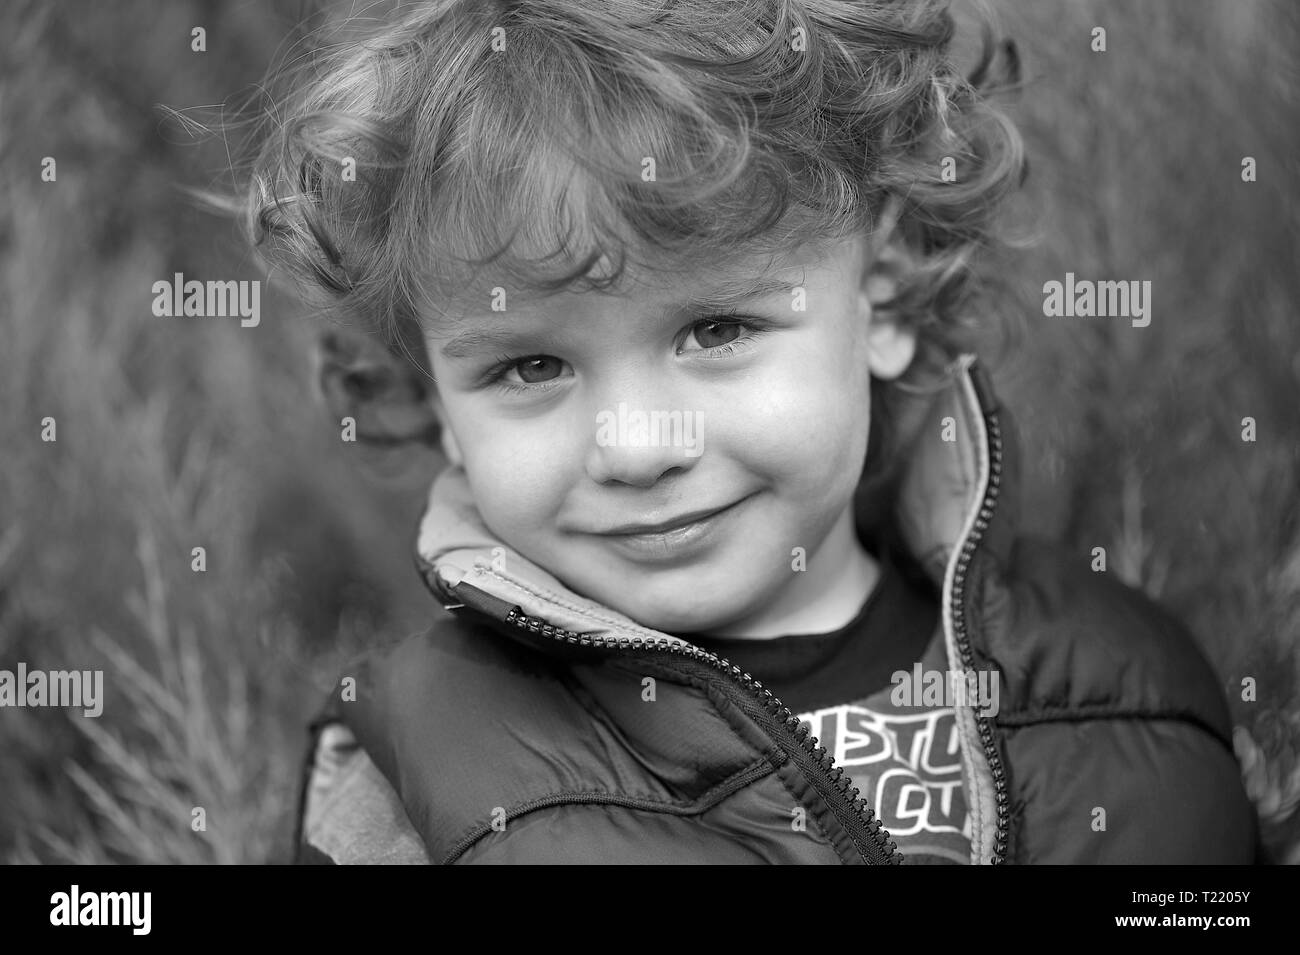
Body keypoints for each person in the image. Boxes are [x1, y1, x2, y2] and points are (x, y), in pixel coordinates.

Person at [241, 0, 1257, 863]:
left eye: (717, 328)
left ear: (887, 294)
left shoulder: (1138, 688)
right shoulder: (417, 775)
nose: (637, 446)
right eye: (529, 366)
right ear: (434, 398)